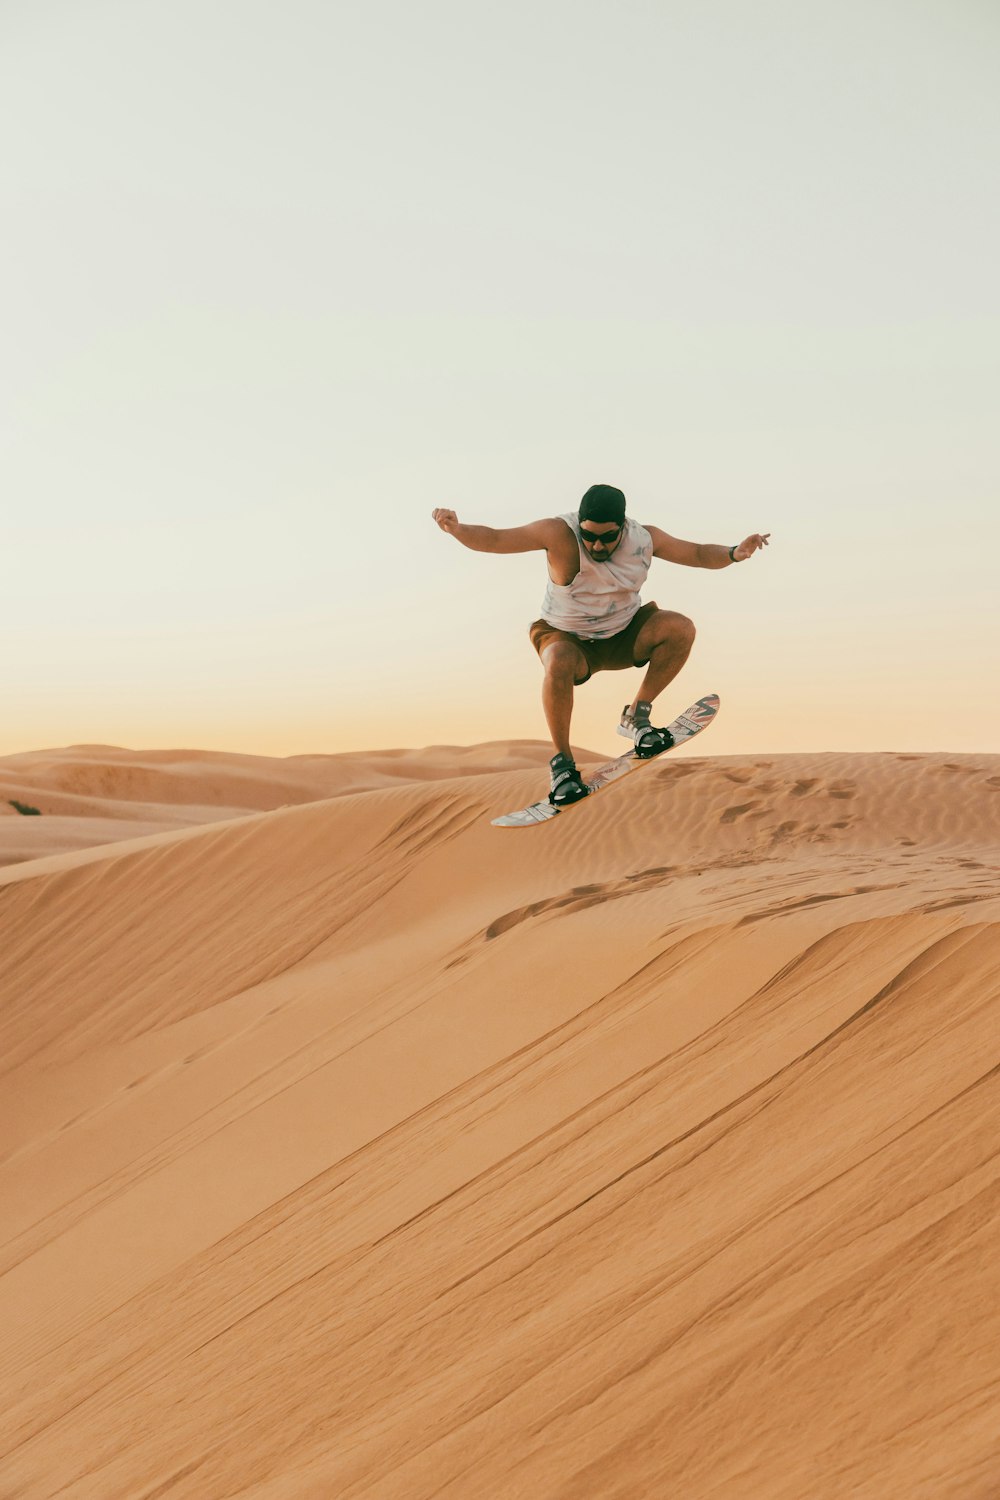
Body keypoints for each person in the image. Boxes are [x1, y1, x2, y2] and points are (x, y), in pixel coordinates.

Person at [432, 483, 769, 805]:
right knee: (559, 660)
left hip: (624, 633)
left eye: (607, 538)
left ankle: (637, 718)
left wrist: (733, 554)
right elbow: (495, 539)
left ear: (622, 527)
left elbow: (695, 553)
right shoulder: (557, 533)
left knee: (680, 628)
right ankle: (562, 765)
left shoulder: (645, 538)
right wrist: (457, 529)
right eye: (588, 536)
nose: (596, 546)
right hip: (567, 636)